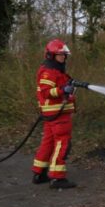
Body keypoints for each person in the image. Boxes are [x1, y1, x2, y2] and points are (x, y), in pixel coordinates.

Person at [32, 39, 78, 189]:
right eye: (60, 55)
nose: (63, 57)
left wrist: (69, 86)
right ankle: (57, 178)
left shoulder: (55, 71)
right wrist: (62, 90)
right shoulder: (49, 72)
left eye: (64, 55)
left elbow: (62, 85)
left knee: (49, 142)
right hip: (58, 115)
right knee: (62, 143)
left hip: (53, 115)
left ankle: (39, 173)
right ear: (51, 55)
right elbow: (46, 92)